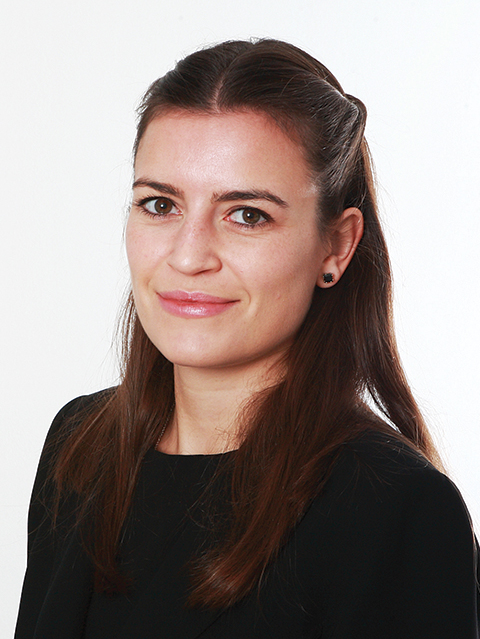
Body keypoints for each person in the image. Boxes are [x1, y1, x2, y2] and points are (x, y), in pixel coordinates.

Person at [15, 39, 479, 639]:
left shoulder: (397, 508)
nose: (188, 256)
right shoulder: (79, 445)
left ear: (336, 246)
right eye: (160, 204)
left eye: (247, 215)